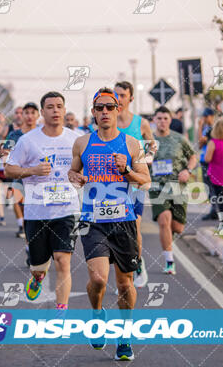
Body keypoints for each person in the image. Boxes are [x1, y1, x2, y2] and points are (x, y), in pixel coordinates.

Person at [69, 87, 151, 361]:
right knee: (98, 278)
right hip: (93, 221)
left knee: (126, 284)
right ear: (93, 112)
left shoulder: (131, 144)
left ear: (118, 110)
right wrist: (75, 177)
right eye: (99, 107)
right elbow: (73, 170)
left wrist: (126, 170)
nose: (105, 112)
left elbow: (145, 180)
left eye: (109, 107)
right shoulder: (82, 143)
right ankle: (97, 313)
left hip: (124, 221)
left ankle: (124, 336)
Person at [5, 91, 80, 313]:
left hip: (67, 209)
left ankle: (61, 311)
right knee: (38, 267)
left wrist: (81, 177)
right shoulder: (28, 141)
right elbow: (9, 168)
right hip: (37, 212)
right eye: (50, 107)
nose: (55, 110)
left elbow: (85, 169)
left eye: (59, 106)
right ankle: (37, 278)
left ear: (64, 110)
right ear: (42, 112)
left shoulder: (76, 139)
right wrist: (32, 171)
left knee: (62, 260)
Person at [114, 81, 154, 288]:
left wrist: (147, 159)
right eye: (116, 95)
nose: (119, 99)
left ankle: (137, 263)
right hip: (111, 185)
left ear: (130, 98)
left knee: (134, 226)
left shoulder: (141, 123)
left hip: (135, 184)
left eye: (122, 95)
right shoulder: (106, 123)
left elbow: (152, 144)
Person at [148, 107, 196, 275]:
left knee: (178, 227)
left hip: (178, 187)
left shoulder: (179, 139)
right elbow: (141, 162)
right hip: (157, 188)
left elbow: (193, 156)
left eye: (165, 118)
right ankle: (169, 261)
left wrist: (188, 171)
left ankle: (169, 238)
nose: (162, 121)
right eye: (159, 118)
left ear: (170, 120)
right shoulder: (149, 141)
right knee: (164, 220)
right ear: (154, 120)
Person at [6, 103, 39, 239]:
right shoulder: (15, 135)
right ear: (22, 116)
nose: (30, 116)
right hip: (19, 174)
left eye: (33, 113)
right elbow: (6, 152)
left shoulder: (42, 133)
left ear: (38, 115)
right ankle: (22, 225)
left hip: (37, 177)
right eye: (27, 113)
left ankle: (28, 230)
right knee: (16, 200)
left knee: (30, 207)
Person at [199, 108, 218, 220]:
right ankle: (214, 209)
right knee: (207, 186)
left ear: (211, 116)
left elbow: (201, 140)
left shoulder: (213, 129)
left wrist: (200, 127)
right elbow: (200, 144)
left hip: (210, 160)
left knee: (212, 185)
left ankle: (215, 210)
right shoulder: (206, 128)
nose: (204, 119)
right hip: (204, 159)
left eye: (205, 117)